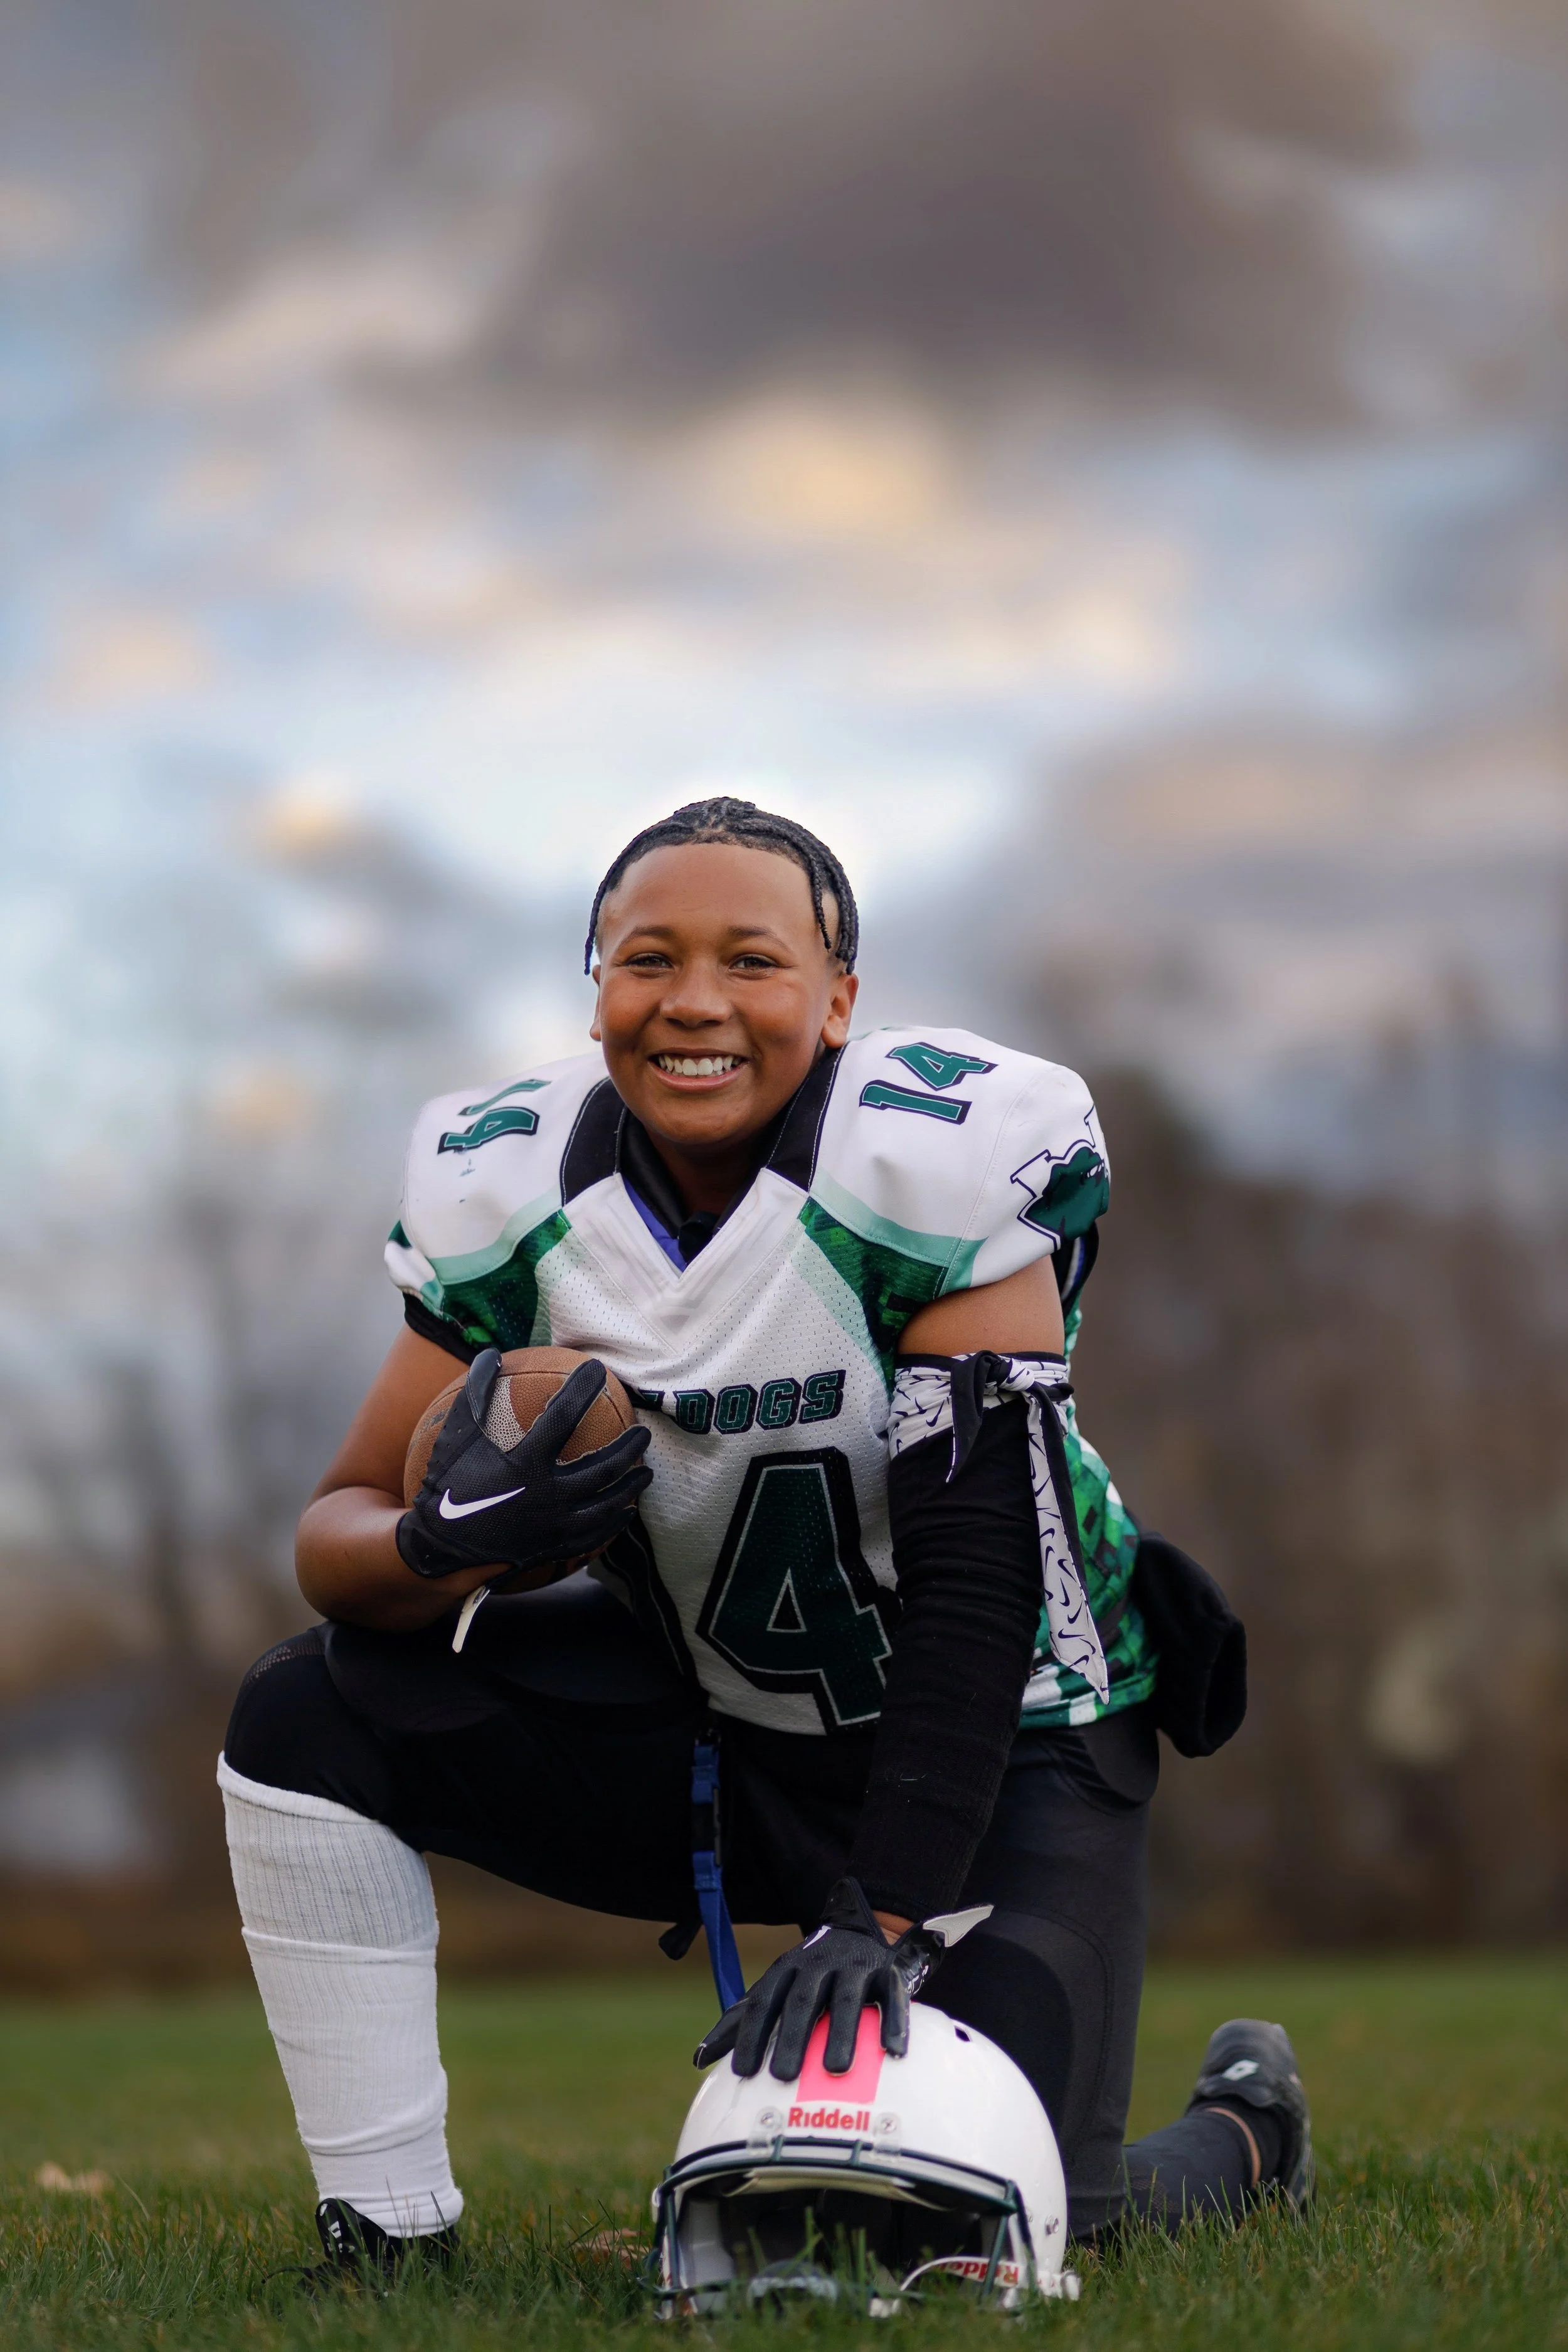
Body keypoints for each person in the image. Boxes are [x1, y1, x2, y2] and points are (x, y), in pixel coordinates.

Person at [219, 797, 1311, 2285]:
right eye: (646, 958)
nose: (695, 1002)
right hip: (722, 1719)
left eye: (752, 960)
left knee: (990, 2206)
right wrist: (439, 1545)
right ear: (595, 983)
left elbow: (977, 1580)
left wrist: (884, 1905)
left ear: (840, 997)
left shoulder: (930, 1166)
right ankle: (386, 2228)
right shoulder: (509, 1187)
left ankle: (1248, 2135)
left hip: (1009, 1733)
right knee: (306, 1709)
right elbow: (335, 1532)